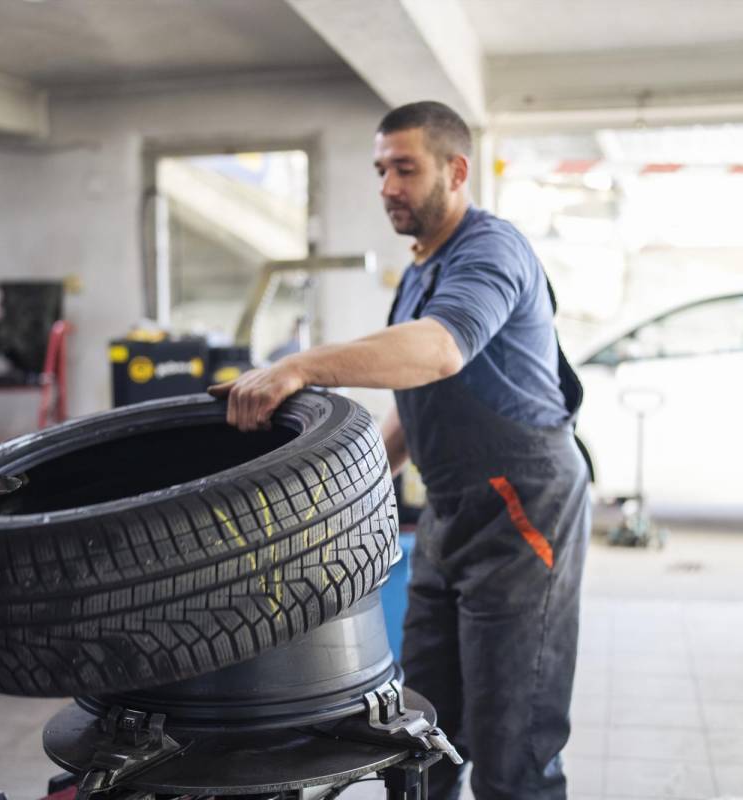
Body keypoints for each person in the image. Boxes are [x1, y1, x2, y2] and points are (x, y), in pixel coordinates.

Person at [209, 100, 590, 800]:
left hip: (521, 509)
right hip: (450, 513)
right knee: (420, 730)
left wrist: (303, 365)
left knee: (515, 742)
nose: (387, 186)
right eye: (381, 169)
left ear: (457, 170)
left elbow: (440, 351)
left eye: (405, 168)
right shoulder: (421, 269)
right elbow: (422, 404)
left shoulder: (490, 249)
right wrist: (349, 494)